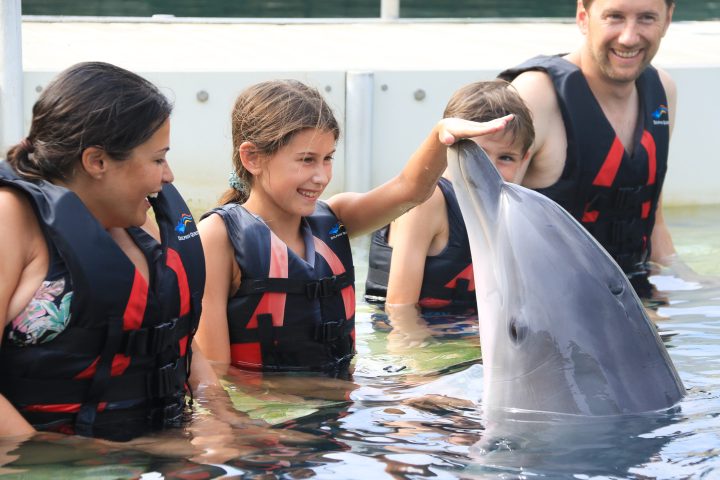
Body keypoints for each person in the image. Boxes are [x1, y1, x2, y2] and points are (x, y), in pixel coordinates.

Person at [195, 79, 512, 377]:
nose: (321, 176)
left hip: (339, 403)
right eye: (307, 160)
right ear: (252, 157)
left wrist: (442, 134)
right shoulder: (218, 236)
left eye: (328, 159)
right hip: (269, 417)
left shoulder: (336, 218)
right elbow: (217, 373)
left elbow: (409, 190)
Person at [0, 62, 209, 441]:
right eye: (158, 159)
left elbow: (165, 330)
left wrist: (223, 419)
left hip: (150, 443)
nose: (169, 176)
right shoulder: (11, 219)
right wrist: (72, 458)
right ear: (97, 161)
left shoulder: (140, 221)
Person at [498, 0, 677, 297]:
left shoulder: (663, 91)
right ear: (583, 17)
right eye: (614, 17)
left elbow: (653, 218)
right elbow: (476, 217)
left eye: (646, 18)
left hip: (629, 296)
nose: (629, 37)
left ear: (668, 20)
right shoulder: (536, 95)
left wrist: (685, 289)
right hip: (550, 303)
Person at [364, 80, 534, 313]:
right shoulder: (427, 202)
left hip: (461, 335)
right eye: (478, 154)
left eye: (506, 158)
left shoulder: (510, 211)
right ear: (450, 146)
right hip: (409, 332)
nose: (490, 168)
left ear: (524, 160)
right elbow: (399, 310)